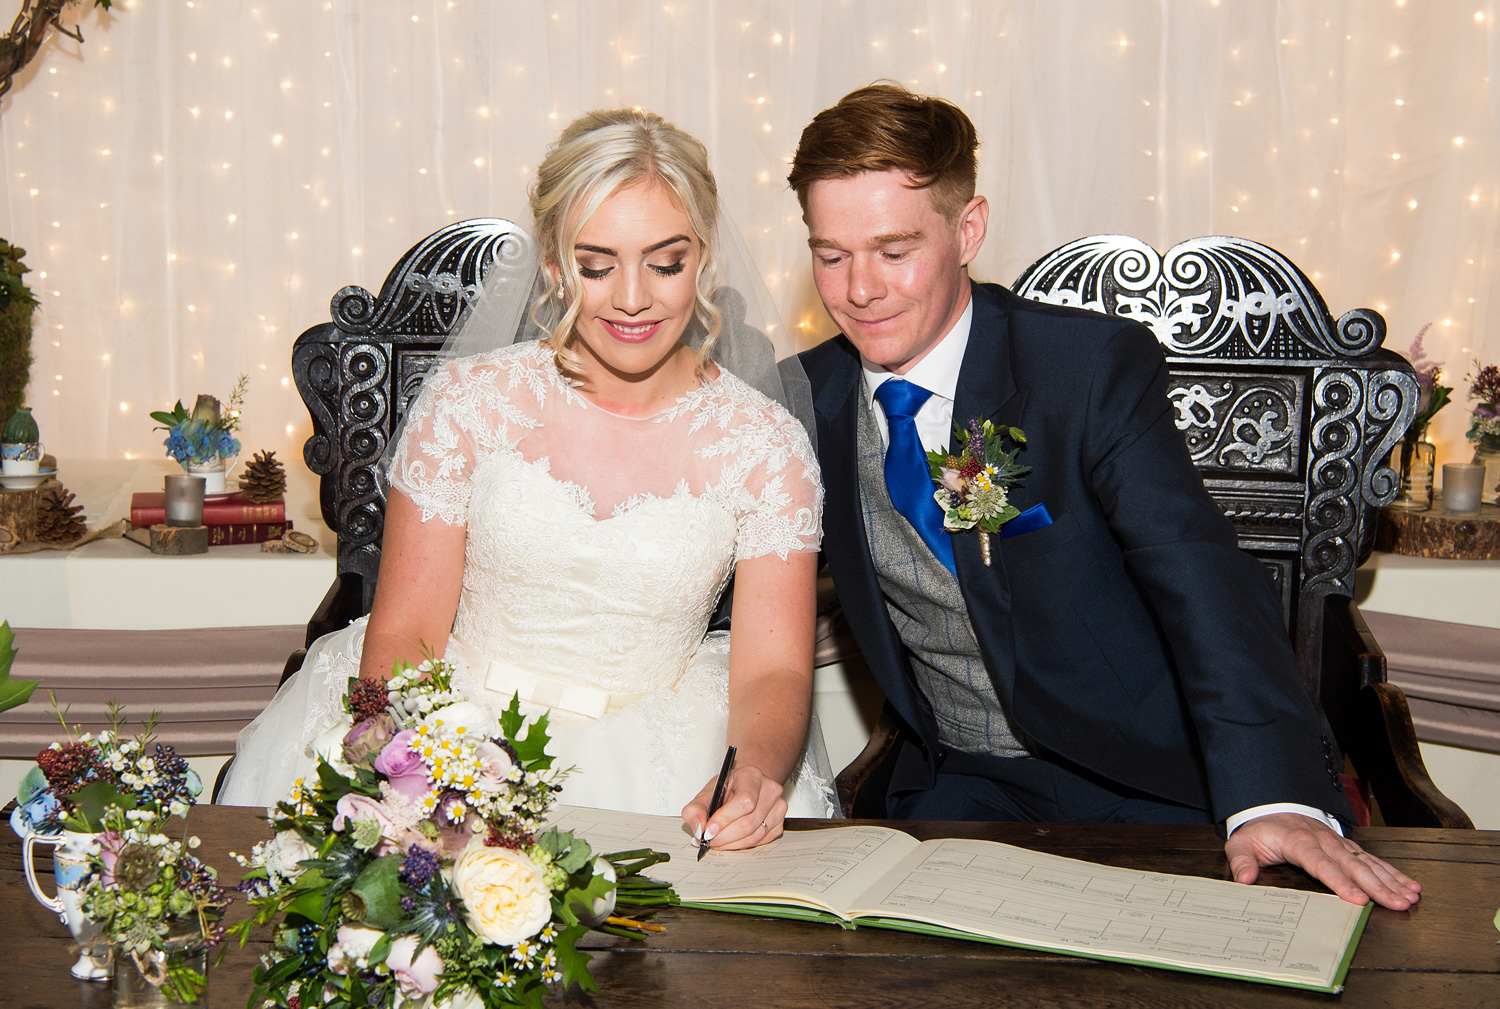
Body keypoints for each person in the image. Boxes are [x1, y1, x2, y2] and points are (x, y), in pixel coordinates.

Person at [790, 83, 1421, 910]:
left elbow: (1199, 576)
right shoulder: (804, 400)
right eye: (830, 255)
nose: (859, 289)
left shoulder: (1084, 370)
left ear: (968, 228)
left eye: (893, 249)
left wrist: (1272, 792)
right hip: (965, 791)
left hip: (1151, 780)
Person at [220, 108, 837, 849]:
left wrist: (755, 772)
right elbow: (410, 628)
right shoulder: (468, 404)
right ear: (552, 264)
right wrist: (423, 772)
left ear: (702, 259)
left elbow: (772, 672)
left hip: (660, 759)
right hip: (449, 721)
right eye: (596, 263)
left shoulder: (765, 446)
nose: (632, 297)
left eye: (665, 263)